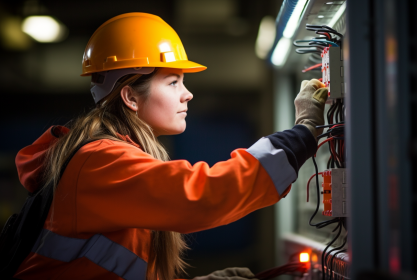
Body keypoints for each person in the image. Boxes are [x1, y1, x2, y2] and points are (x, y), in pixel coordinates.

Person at [13, 12, 328, 280]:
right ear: (131, 97)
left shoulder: (105, 157)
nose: (187, 94)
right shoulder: (98, 162)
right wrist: (301, 134)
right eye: (173, 81)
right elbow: (201, 195)